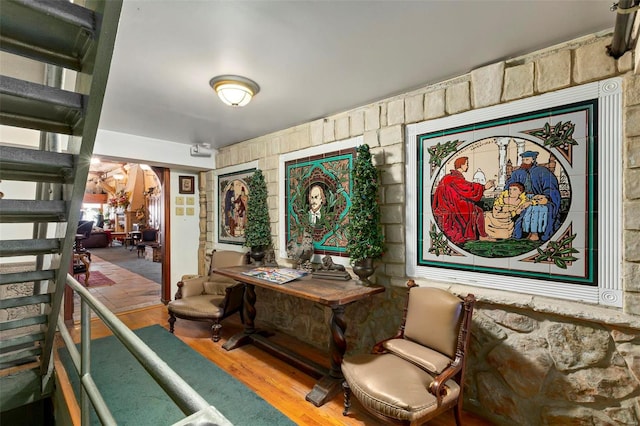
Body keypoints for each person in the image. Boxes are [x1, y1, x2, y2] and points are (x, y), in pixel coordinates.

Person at [432, 156, 496, 244]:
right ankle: (483, 236)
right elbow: (467, 188)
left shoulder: (449, 177)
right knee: (478, 211)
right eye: (466, 164)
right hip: (453, 207)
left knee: (476, 210)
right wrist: (484, 187)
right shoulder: (454, 178)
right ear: (461, 165)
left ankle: (482, 235)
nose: (468, 166)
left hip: (450, 205)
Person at [505, 150, 561, 242]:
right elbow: (508, 186)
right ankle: (517, 233)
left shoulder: (543, 171)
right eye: (523, 160)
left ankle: (534, 234)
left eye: (527, 159)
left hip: (538, 198)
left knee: (537, 209)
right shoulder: (517, 173)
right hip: (521, 198)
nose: (524, 162)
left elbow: (551, 188)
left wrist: (546, 197)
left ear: (533, 160)